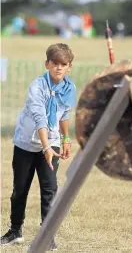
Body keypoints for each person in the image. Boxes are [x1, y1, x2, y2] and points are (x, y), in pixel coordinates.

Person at [0, 43, 76, 250]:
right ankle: (15, 231)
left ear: (69, 66)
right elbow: (40, 118)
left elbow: (65, 114)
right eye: (55, 63)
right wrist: (46, 148)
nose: (59, 68)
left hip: (51, 144)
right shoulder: (37, 86)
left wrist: (65, 140)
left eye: (63, 64)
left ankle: (47, 235)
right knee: (20, 189)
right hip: (27, 143)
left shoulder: (69, 88)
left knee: (49, 190)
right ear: (47, 64)